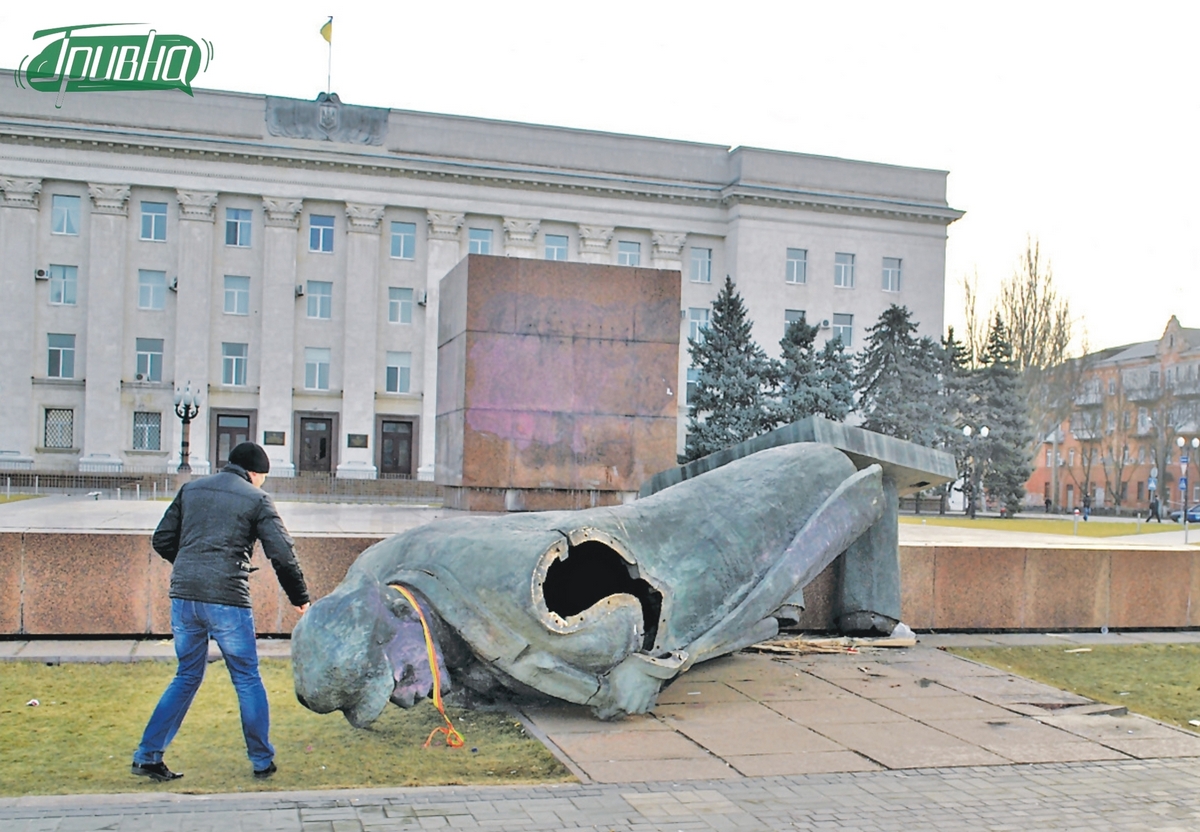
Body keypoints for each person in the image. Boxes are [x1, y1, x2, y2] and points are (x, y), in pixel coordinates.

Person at [132, 442, 310, 782]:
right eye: (263, 477)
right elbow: (283, 555)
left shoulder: (191, 490)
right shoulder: (257, 499)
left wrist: (191, 565)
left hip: (184, 596)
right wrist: (300, 598)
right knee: (246, 678)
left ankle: (147, 755)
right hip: (227, 598)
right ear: (255, 473)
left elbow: (162, 539)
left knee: (186, 676)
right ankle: (261, 760)